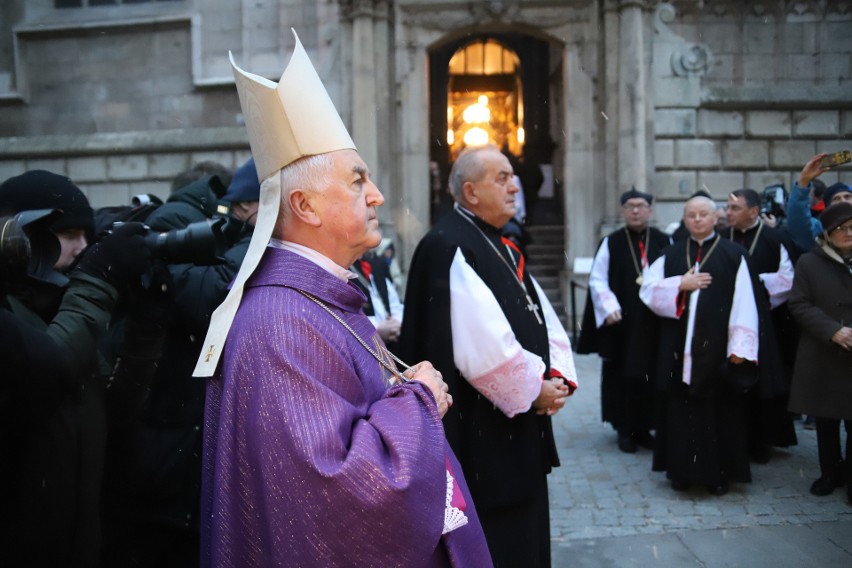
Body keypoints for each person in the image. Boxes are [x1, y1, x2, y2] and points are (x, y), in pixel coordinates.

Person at [192, 32, 491, 567]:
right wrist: (419, 399)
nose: (376, 195)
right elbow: (340, 490)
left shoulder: (318, 300)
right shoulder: (282, 323)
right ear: (304, 205)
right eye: (358, 182)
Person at [399, 144, 578, 567]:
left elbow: (541, 316)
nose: (515, 185)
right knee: (503, 540)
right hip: (485, 437)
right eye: (501, 177)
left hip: (510, 432)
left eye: (512, 175)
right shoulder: (451, 244)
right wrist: (535, 390)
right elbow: (484, 352)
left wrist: (556, 374)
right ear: (471, 191)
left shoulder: (495, 240)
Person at [100, 160, 256, 568]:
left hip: (170, 431)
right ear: (250, 205)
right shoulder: (177, 222)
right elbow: (214, 294)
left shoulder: (210, 225)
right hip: (158, 430)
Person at [0, 172, 158, 567]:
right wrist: (97, 282)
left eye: (87, 236)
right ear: (20, 233)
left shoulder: (65, 307)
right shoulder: (14, 316)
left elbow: (113, 413)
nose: (83, 248)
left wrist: (147, 324)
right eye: (68, 234)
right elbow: (45, 373)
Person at [639, 195, 761, 495]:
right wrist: (680, 284)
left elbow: (745, 303)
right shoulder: (670, 253)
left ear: (715, 217)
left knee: (718, 411)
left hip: (717, 349)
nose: (697, 219)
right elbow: (648, 291)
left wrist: (740, 349)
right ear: (684, 218)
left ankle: (717, 475)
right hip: (680, 350)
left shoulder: (733, 255)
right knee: (681, 413)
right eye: (691, 214)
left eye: (703, 214)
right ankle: (680, 472)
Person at [577, 187, 671, 453]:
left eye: (641, 205)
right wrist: (609, 307)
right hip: (623, 323)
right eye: (630, 206)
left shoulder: (665, 241)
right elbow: (597, 279)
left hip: (654, 321)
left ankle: (645, 427)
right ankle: (624, 428)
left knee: (650, 373)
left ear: (650, 210)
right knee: (623, 374)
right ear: (622, 211)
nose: (636, 210)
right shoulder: (612, 241)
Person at [724, 189, 800, 462]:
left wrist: (753, 285)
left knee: (761, 384)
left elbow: (787, 281)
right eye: (727, 207)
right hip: (728, 323)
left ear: (753, 212)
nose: (728, 213)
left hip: (766, 322)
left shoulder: (774, 238)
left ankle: (761, 442)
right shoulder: (722, 237)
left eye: (734, 208)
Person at [787, 202, 852, 503]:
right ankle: (829, 473)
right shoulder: (808, 263)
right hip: (823, 350)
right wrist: (832, 331)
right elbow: (798, 304)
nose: (848, 233)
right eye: (841, 229)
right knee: (826, 420)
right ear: (827, 234)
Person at [787, 153, 852, 252]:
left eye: (847, 197)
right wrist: (804, 180)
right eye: (836, 199)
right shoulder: (820, 228)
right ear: (828, 207)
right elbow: (799, 223)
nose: (843, 201)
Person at [351, 249, 404, 351]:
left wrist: (396, 322)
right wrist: (377, 328)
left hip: (392, 338)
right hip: (365, 344)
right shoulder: (342, 271)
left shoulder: (376, 265)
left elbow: (394, 302)